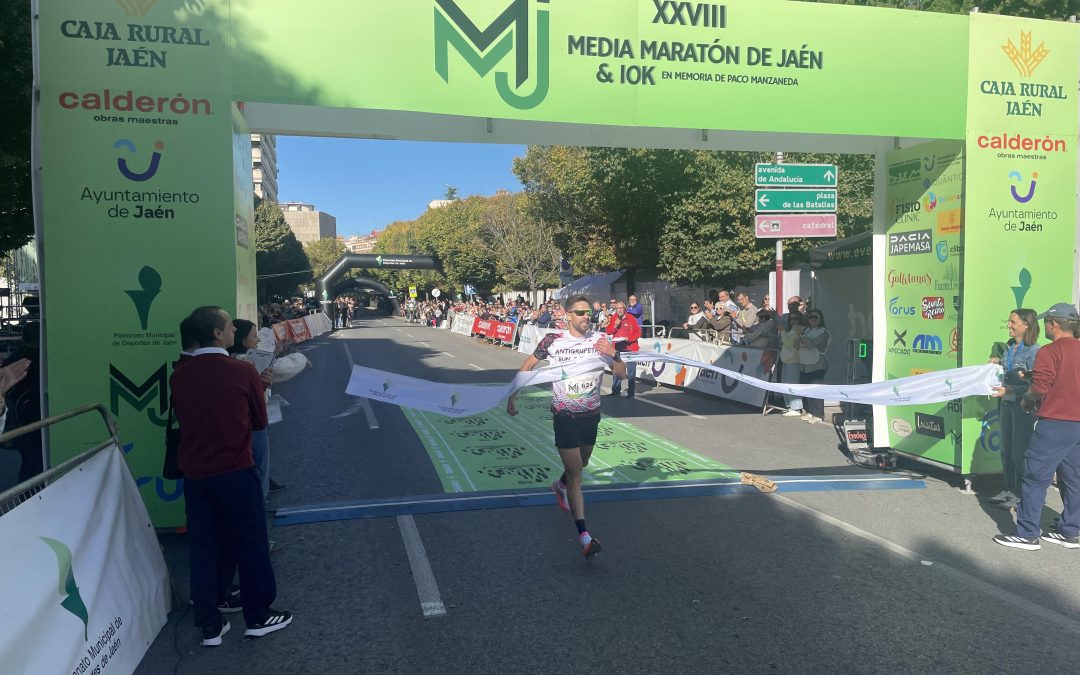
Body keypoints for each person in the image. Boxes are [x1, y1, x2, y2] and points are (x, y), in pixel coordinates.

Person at [171, 306, 293, 645]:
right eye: (228, 325)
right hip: (235, 472)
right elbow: (259, 422)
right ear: (216, 334)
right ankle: (258, 615)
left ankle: (210, 624)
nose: (232, 331)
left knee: (204, 546)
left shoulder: (180, 373)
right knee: (250, 543)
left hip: (195, 476)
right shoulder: (241, 372)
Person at [506, 295, 626, 561]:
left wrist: (613, 354)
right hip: (563, 415)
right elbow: (528, 366)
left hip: (591, 415)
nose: (586, 316)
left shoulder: (599, 341)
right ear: (567, 315)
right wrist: (512, 394)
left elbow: (621, 375)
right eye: (580, 312)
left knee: (581, 464)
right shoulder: (552, 341)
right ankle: (584, 536)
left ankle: (558, 486)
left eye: (589, 312)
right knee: (575, 474)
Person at [994, 303, 1080, 551]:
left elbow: (1041, 387)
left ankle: (1028, 533)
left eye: (1047, 323)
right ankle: (1069, 531)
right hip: (1077, 424)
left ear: (1053, 324)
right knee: (1073, 478)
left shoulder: (1050, 351)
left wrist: (1026, 399)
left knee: (1034, 477)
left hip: (1055, 423)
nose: (1045, 326)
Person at [986, 309, 1041, 510]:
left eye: (1013, 322)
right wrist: (996, 359)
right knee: (1006, 450)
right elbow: (999, 353)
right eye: (1009, 321)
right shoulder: (1009, 347)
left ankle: (1020, 494)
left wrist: (1009, 390)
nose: (1009, 325)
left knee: (1019, 453)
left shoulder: (1035, 351)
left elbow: (1035, 384)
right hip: (1006, 405)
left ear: (1026, 325)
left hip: (1023, 408)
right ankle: (1009, 490)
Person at [798, 310, 831, 424]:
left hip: (817, 364)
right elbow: (795, 344)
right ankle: (810, 411)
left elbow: (811, 344)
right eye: (810, 317)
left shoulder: (823, 332)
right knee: (806, 388)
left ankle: (818, 414)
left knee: (816, 388)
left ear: (820, 319)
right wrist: (800, 336)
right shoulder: (806, 331)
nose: (812, 319)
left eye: (815, 317)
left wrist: (801, 337)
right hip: (804, 364)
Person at [606, 301, 641, 398]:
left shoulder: (631, 318)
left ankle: (631, 392)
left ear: (624, 308)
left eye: (621, 308)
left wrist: (629, 339)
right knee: (617, 371)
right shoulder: (614, 318)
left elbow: (638, 332)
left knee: (631, 371)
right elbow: (608, 331)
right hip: (618, 348)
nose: (619, 310)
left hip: (630, 348)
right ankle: (616, 390)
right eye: (617, 308)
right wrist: (614, 326)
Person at [778, 313, 807, 417]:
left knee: (792, 383)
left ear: (799, 320)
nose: (792, 321)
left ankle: (796, 407)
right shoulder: (791, 330)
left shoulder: (798, 329)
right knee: (785, 383)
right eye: (790, 319)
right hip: (787, 360)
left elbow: (789, 344)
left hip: (793, 361)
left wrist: (782, 332)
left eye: (795, 319)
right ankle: (790, 406)